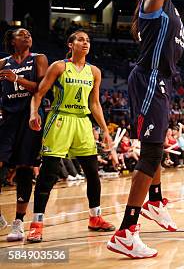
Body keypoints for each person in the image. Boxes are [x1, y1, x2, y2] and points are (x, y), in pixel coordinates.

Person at [107, 0, 184, 259]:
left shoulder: (171, 10)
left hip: (162, 84)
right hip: (151, 81)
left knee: (153, 151)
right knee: (151, 155)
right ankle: (126, 230)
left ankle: (154, 199)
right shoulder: (153, 5)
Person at [27, 31, 115, 242]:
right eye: (81, 40)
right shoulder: (59, 66)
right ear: (70, 44)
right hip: (60, 119)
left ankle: (95, 217)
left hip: (83, 122)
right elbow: (39, 93)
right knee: (48, 173)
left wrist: (104, 130)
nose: (85, 43)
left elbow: (94, 103)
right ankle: (36, 223)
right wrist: (33, 113)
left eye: (88, 40)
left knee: (93, 173)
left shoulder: (94, 71)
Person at [0, 29, 48, 241]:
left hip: (30, 117)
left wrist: (17, 79)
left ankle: (18, 223)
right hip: (8, 118)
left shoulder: (38, 58)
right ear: (12, 41)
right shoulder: (2, 63)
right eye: (22, 34)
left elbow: (41, 87)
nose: (28, 36)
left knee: (24, 168)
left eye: (29, 34)